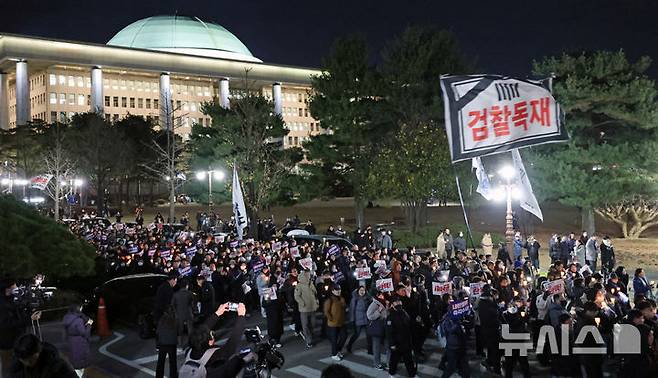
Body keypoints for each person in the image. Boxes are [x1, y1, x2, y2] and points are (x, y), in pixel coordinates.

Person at [184, 302, 254, 378]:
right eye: (212, 334)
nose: (213, 333)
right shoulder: (214, 355)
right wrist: (241, 316)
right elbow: (232, 343)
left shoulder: (189, 351)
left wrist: (218, 313)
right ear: (210, 342)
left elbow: (201, 331)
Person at [0, 279, 41, 377]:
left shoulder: (11, 300)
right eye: (14, 287)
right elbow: (7, 324)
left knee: (19, 368)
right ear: (7, 289)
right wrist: (28, 319)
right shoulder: (2, 304)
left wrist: (30, 314)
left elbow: (19, 316)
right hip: (7, 344)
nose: (16, 289)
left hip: (17, 341)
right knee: (9, 369)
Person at [10, 333, 77, 378]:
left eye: (31, 359)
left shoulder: (55, 362)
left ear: (39, 351)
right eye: (24, 360)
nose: (28, 363)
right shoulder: (17, 365)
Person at [386, 295, 417, 378]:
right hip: (397, 343)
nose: (398, 303)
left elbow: (409, 323)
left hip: (406, 341)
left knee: (409, 359)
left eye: (399, 301)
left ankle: (412, 374)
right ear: (392, 304)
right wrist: (392, 344)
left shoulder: (403, 312)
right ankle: (391, 373)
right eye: (396, 302)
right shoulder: (390, 316)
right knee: (394, 360)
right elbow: (389, 332)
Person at [62, 303, 92, 377]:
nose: (81, 309)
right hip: (79, 343)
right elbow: (84, 334)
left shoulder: (66, 318)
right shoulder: (78, 320)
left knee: (74, 362)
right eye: (81, 308)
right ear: (78, 309)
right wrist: (89, 325)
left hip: (71, 341)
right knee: (80, 364)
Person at [294, 269, 319, 348]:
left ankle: (311, 335)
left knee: (313, 323)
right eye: (307, 274)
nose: (309, 276)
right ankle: (309, 340)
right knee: (305, 325)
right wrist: (302, 303)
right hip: (304, 309)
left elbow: (315, 293)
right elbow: (297, 296)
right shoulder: (299, 285)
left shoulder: (311, 283)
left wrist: (316, 301)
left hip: (312, 307)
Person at [440, 314, 469, 378]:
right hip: (453, 347)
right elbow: (450, 329)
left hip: (461, 346)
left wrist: (464, 324)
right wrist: (458, 325)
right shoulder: (448, 319)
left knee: (464, 365)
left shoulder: (458, 318)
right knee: (450, 367)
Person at [323, 284, 347, 361]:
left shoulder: (341, 298)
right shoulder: (329, 300)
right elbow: (326, 311)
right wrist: (331, 319)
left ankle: (338, 350)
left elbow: (344, 308)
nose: (338, 291)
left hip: (341, 322)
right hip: (333, 324)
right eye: (336, 290)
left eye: (339, 289)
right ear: (332, 291)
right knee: (334, 339)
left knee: (344, 336)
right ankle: (334, 354)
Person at [345, 286, 372, 353]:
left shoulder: (367, 298)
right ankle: (349, 346)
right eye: (361, 290)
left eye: (363, 290)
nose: (362, 292)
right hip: (358, 319)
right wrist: (352, 320)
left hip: (366, 319)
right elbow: (352, 310)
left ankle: (370, 349)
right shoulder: (355, 299)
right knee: (356, 334)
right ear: (358, 291)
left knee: (369, 335)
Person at [366, 290, 388, 370]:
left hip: (385, 326)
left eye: (382, 294)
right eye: (380, 295)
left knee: (388, 345)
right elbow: (369, 316)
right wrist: (378, 311)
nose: (382, 296)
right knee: (376, 347)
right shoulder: (374, 304)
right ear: (377, 296)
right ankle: (377, 364)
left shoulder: (385, 302)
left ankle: (389, 363)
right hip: (377, 327)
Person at [155, 306, 178, 378]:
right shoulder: (175, 320)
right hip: (172, 344)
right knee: (173, 363)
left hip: (163, 343)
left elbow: (158, 333)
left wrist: (157, 345)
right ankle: (173, 376)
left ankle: (159, 376)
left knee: (161, 362)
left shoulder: (162, 320)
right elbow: (179, 331)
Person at [171, 278, 195, 349]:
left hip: (179, 314)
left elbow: (172, 304)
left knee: (180, 331)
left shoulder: (176, 294)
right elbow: (193, 304)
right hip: (188, 313)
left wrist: (175, 313)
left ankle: (180, 346)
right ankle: (192, 345)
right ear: (187, 286)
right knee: (190, 330)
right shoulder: (190, 293)